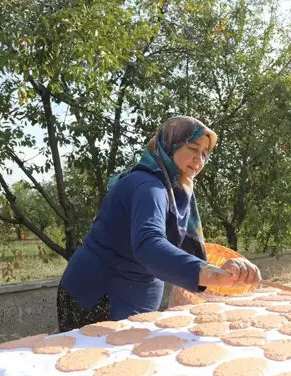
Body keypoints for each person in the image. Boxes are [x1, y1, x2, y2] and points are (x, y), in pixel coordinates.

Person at [57, 116, 261, 332]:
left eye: (204, 153)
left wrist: (223, 268)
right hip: (99, 294)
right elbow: (150, 246)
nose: (199, 160)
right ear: (169, 144)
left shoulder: (175, 188)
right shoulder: (148, 187)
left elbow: (173, 249)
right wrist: (211, 275)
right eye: (192, 148)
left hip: (134, 295)